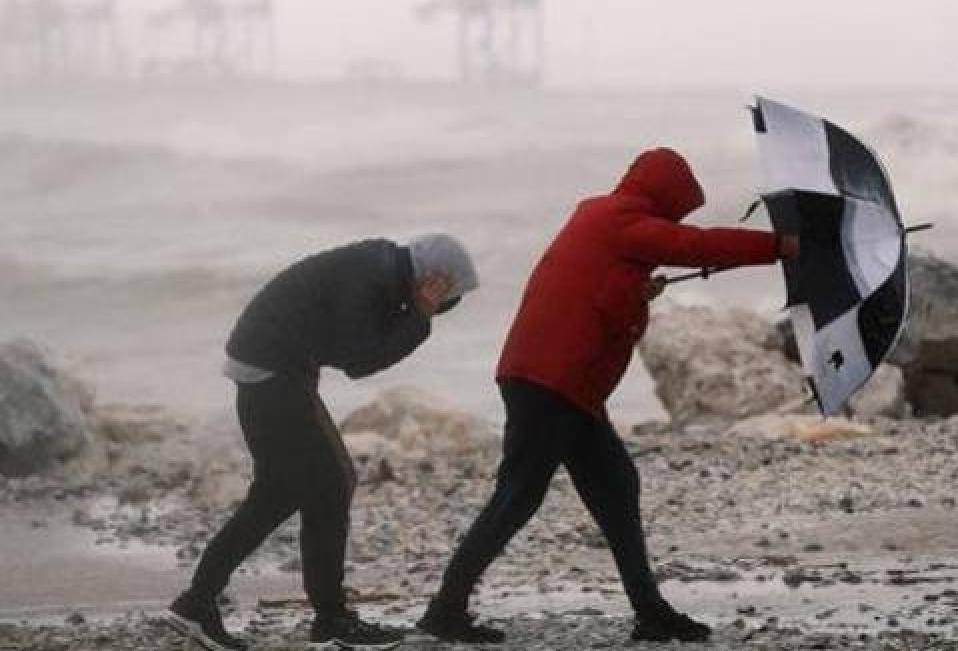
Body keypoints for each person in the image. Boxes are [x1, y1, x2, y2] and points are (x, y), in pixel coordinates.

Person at [417, 148, 798, 644]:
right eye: (675, 207)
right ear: (662, 196)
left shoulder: (603, 220)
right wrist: (780, 246)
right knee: (517, 497)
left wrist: (634, 290)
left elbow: (601, 300)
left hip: (566, 387)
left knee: (616, 487)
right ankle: (444, 610)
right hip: (548, 383)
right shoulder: (618, 218)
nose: (675, 218)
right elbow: (697, 245)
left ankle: (650, 611)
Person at [166, 234, 478, 651]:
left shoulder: (381, 267)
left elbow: (345, 344)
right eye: (445, 298)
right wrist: (418, 317)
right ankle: (329, 620)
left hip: (272, 368)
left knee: (282, 494)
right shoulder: (373, 277)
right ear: (434, 279)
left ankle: (199, 604)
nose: (443, 307)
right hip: (273, 372)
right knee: (331, 485)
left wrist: (413, 314)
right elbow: (359, 360)